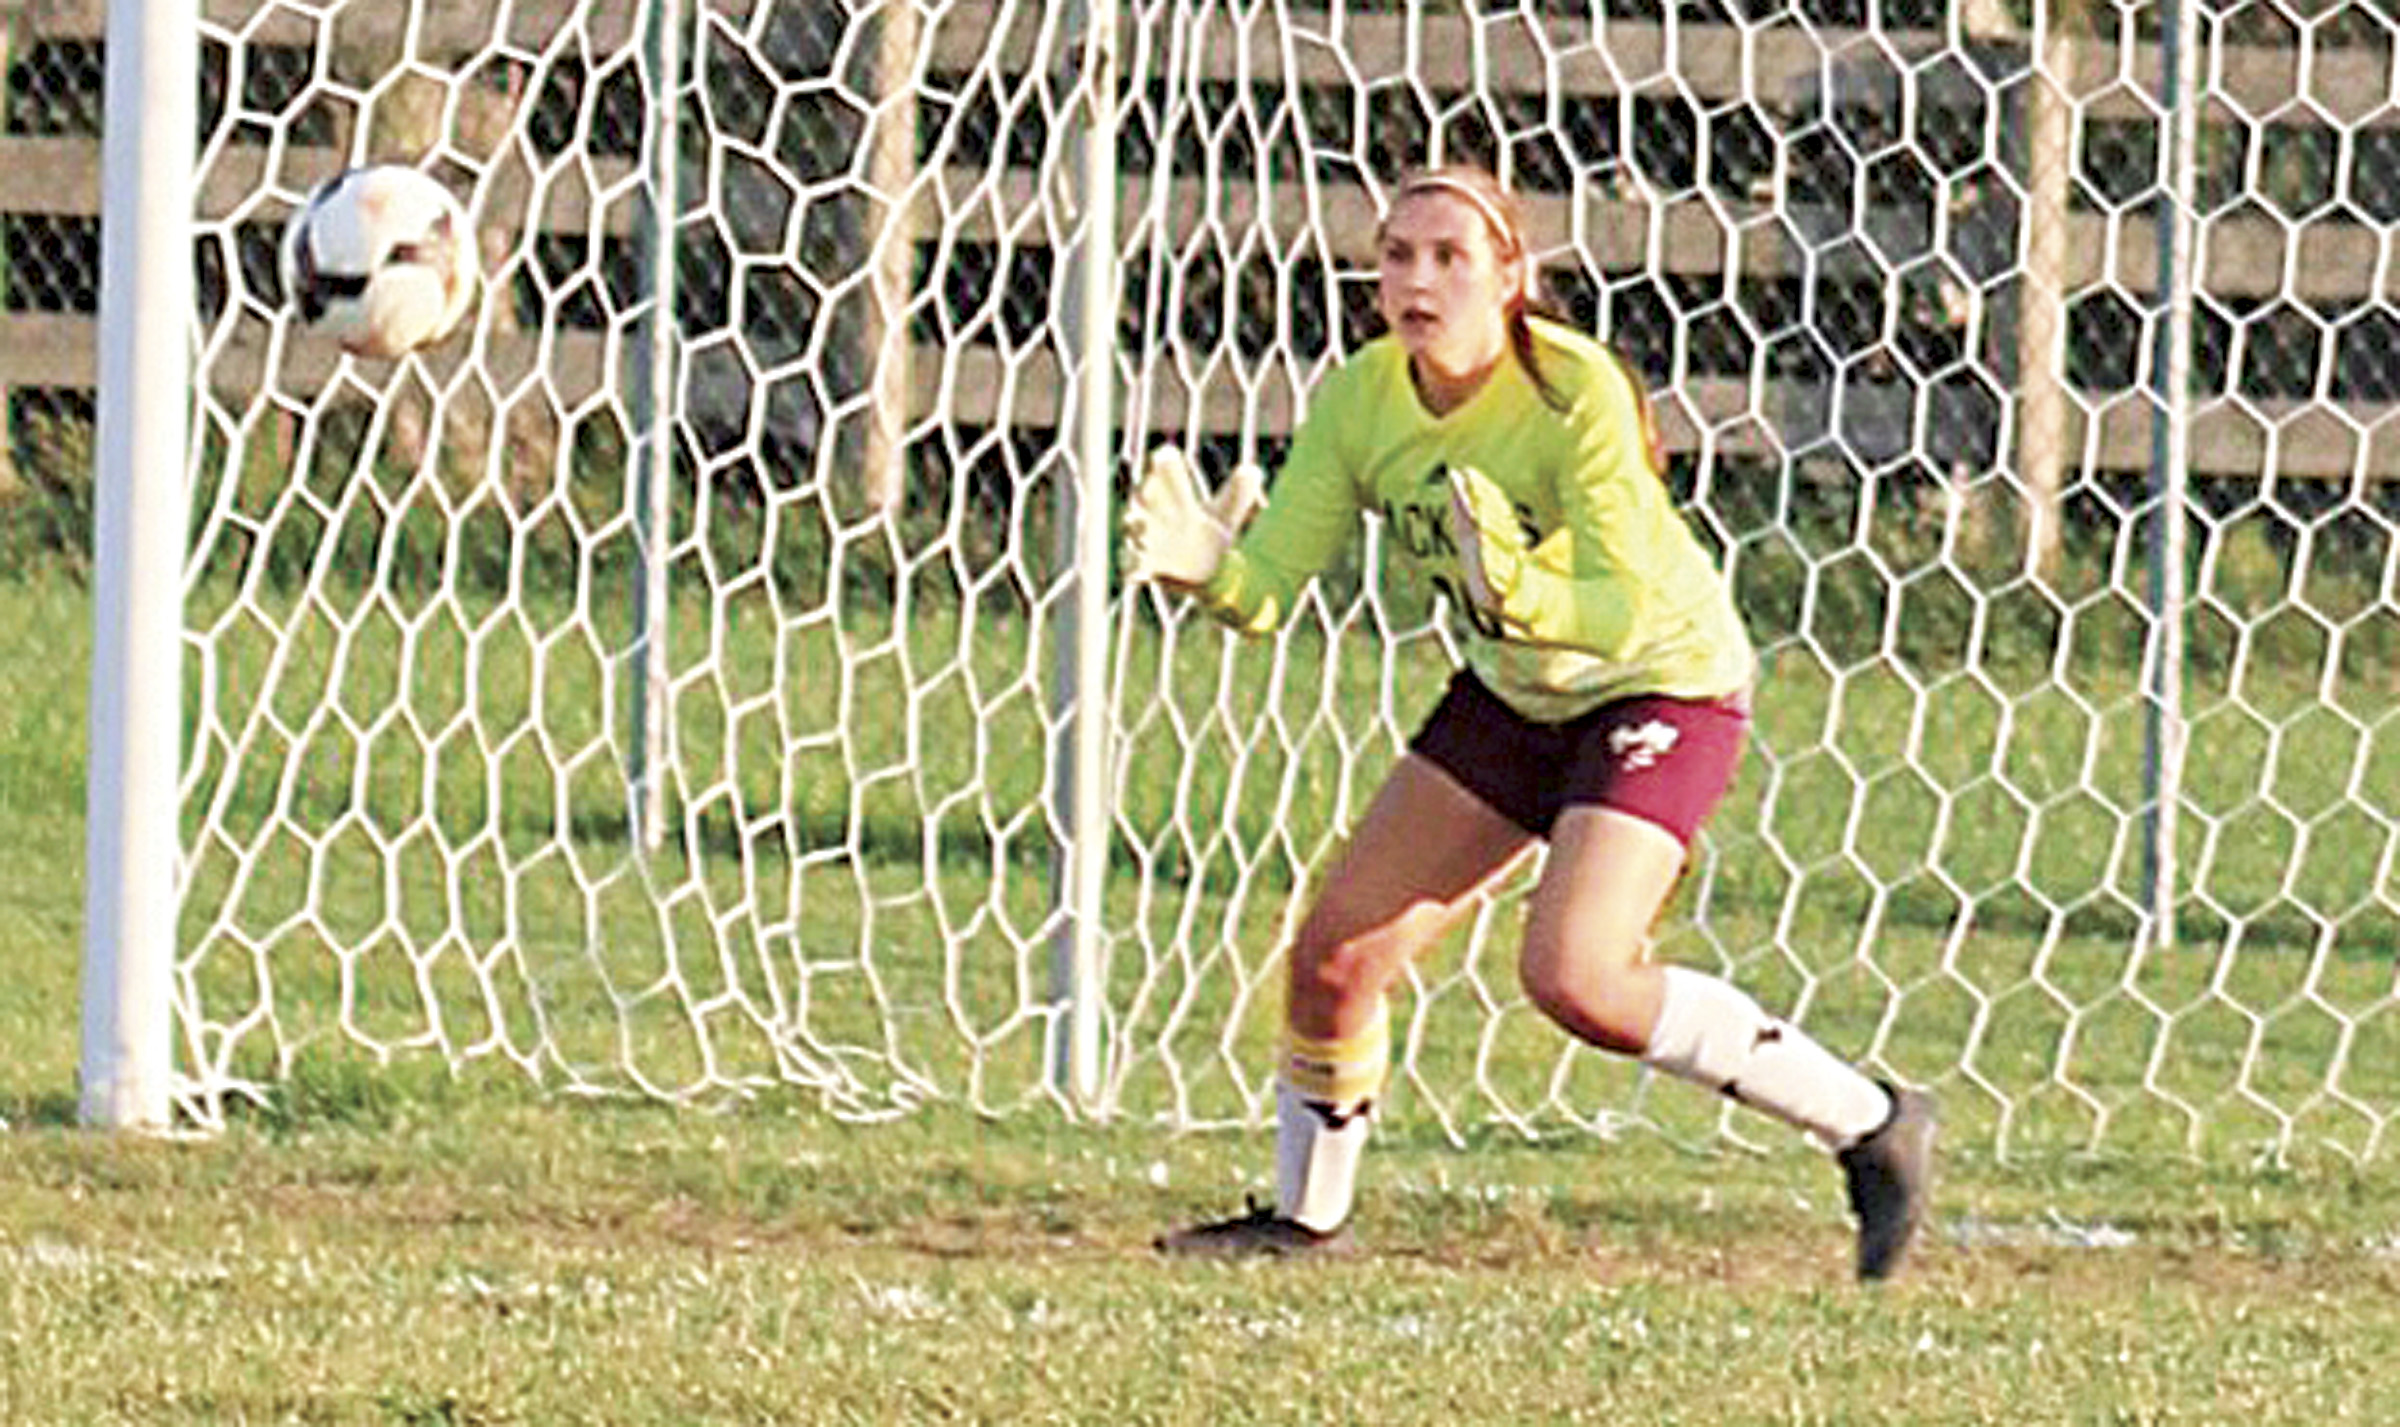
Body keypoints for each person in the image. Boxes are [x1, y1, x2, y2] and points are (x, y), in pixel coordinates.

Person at [1122, 164, 1936, 1281]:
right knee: (1335, 958)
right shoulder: (1366, 396)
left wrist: (1523, 598)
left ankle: (1872, 1121)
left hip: (1658, 684)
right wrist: (1212, 572)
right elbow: (1269, 588)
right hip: (1517, 690)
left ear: (1513, 276)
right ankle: (1304, 1222)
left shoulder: (1575, 393)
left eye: (1451, 255)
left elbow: (1612, 606)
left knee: (1576, 976)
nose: (1419, 277)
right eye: (1397, 255)